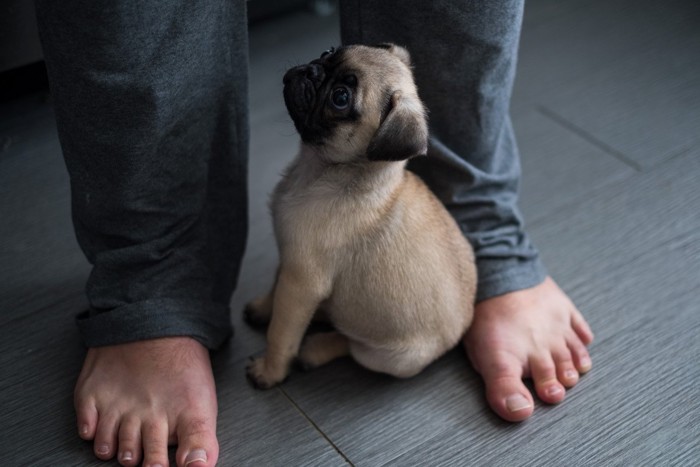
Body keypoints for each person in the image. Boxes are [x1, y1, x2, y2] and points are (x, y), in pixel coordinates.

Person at [34, 1, 593, 466]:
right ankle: (157, 278)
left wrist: (274, 363)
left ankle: (352, 335)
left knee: (323, 292)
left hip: (397, 344)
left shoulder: (328, 209)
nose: (316, 78)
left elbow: (304, 280)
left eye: (340, 96)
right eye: (328, 63)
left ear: (388, 141)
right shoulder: (351, 160)